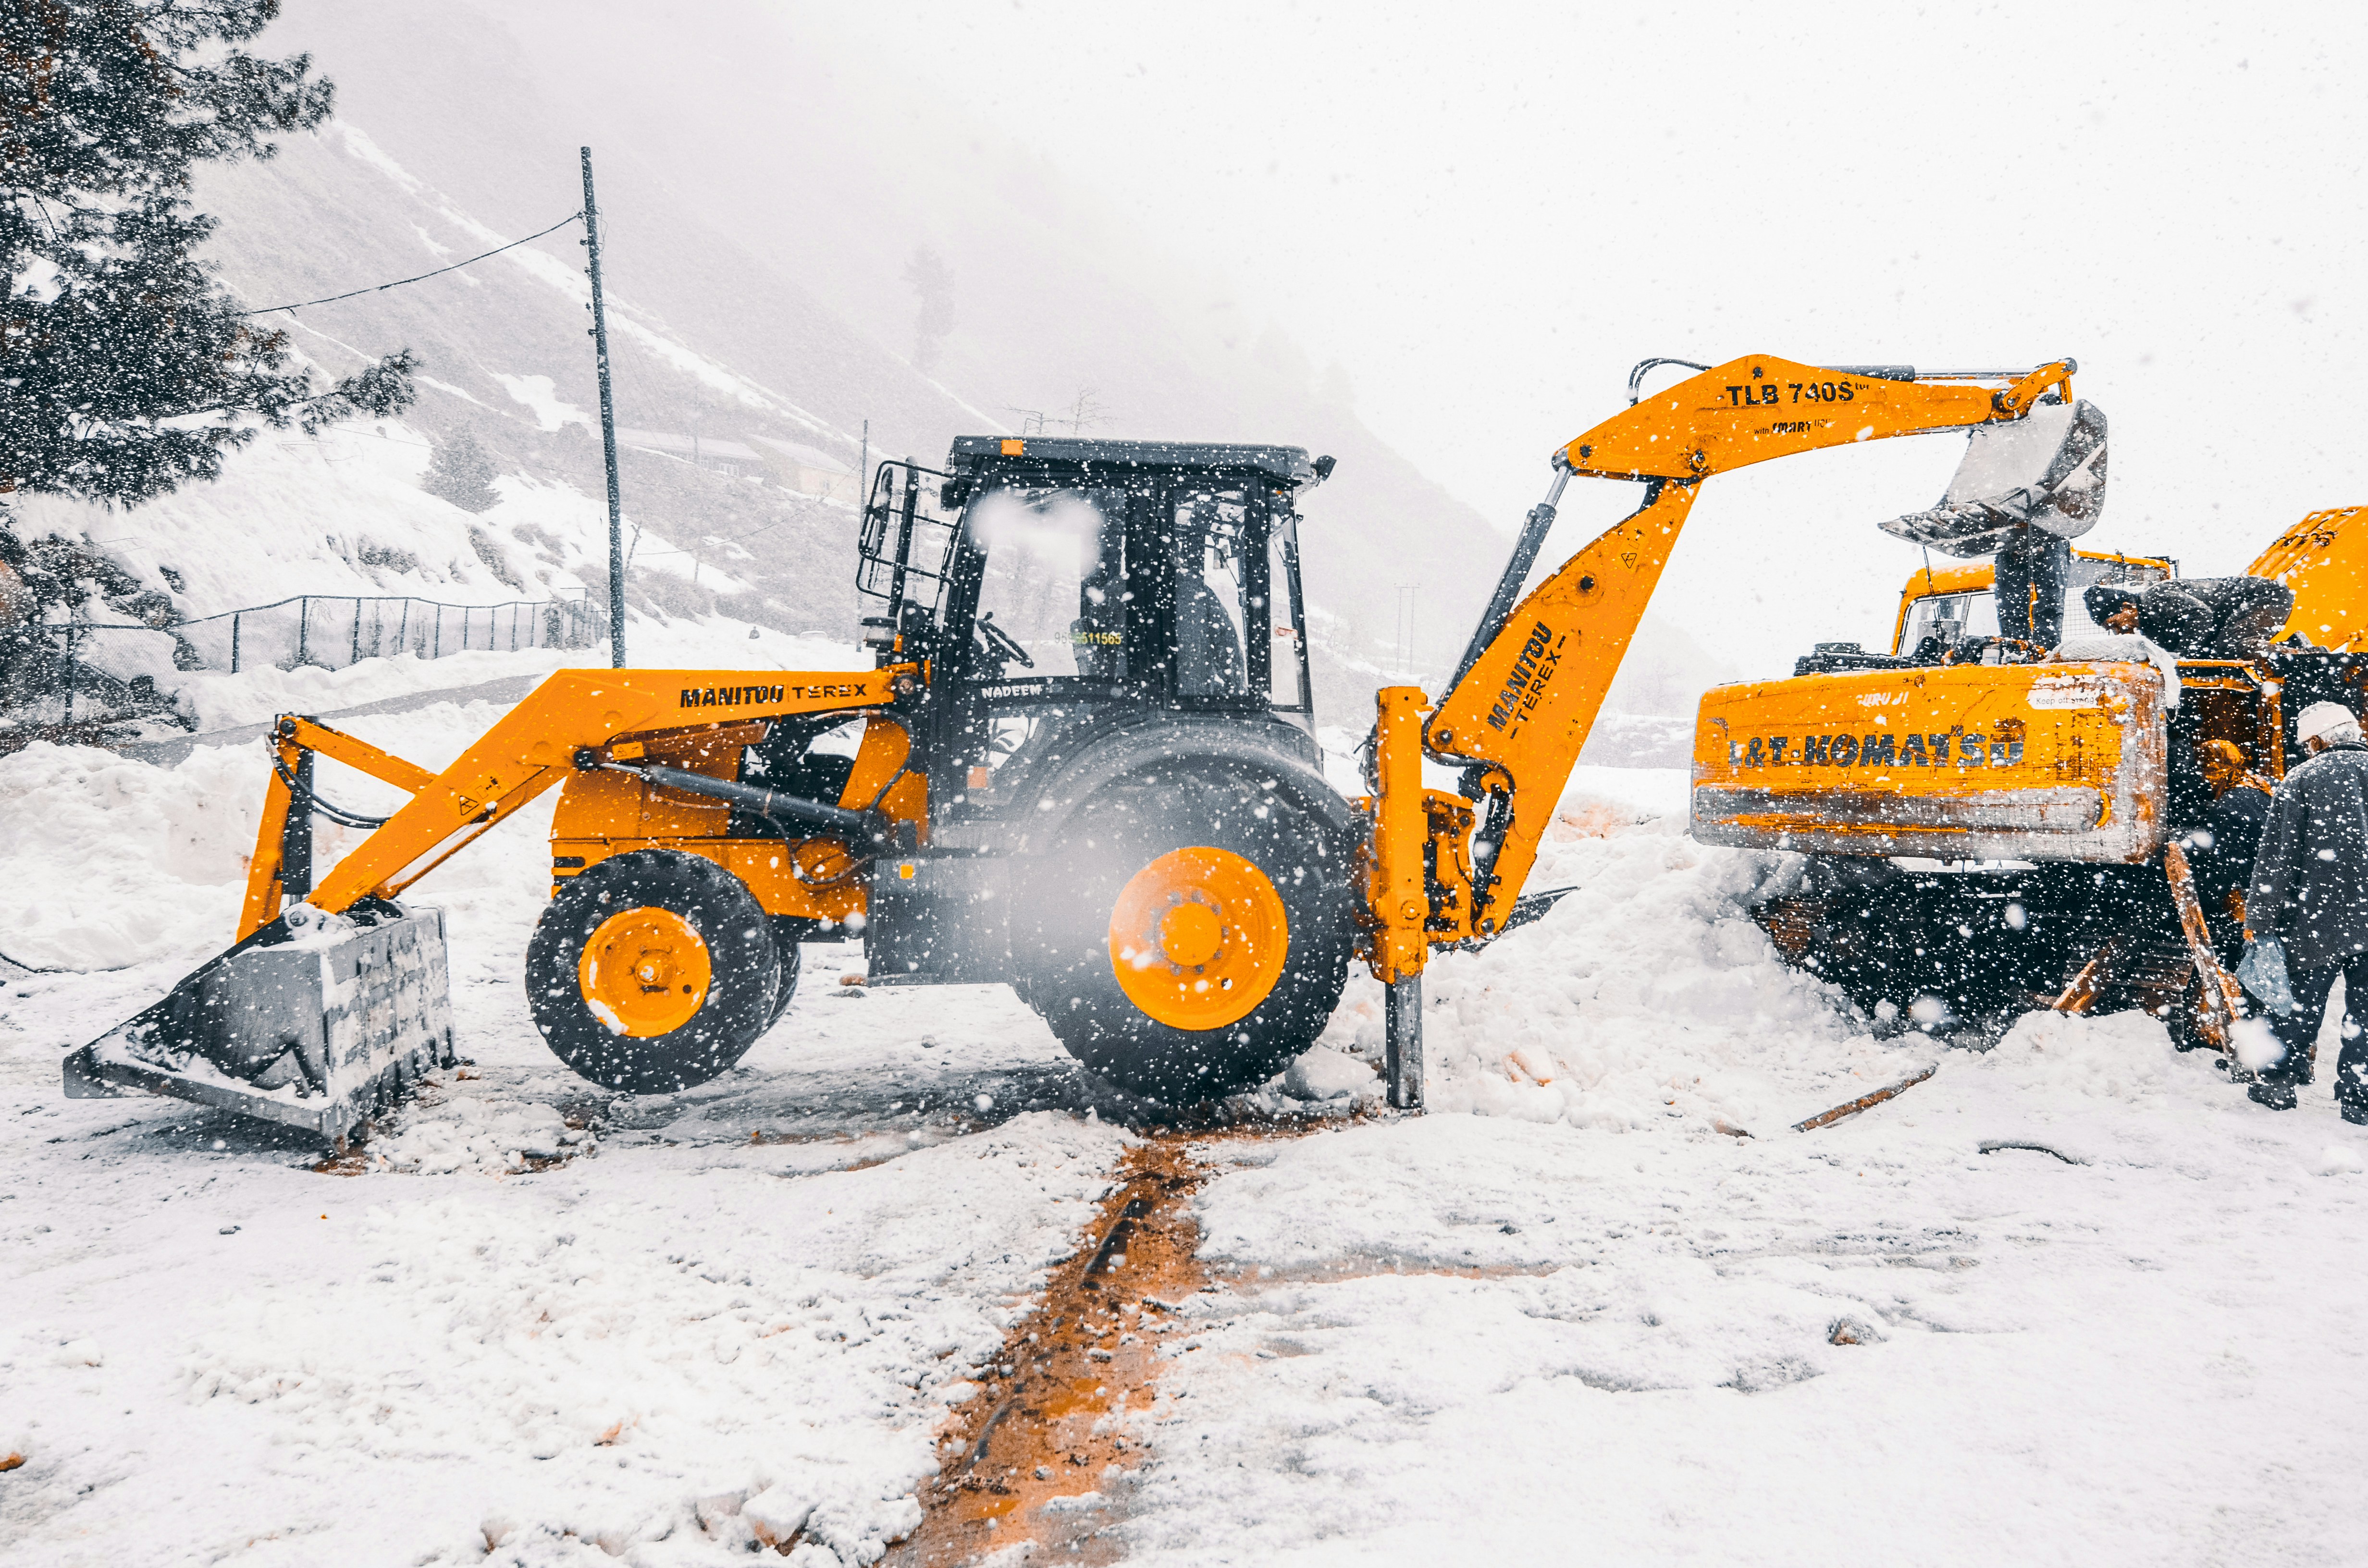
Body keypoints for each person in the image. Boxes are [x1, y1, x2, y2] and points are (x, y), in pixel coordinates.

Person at [2243, 699, 2368, 1117]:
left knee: (2299, 1005)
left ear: (2318, 739)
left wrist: (2260, 920)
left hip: (2319, 918)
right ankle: (2360, 1097)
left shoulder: (2302, 779)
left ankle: (2279, 1083)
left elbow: (2276, 861)